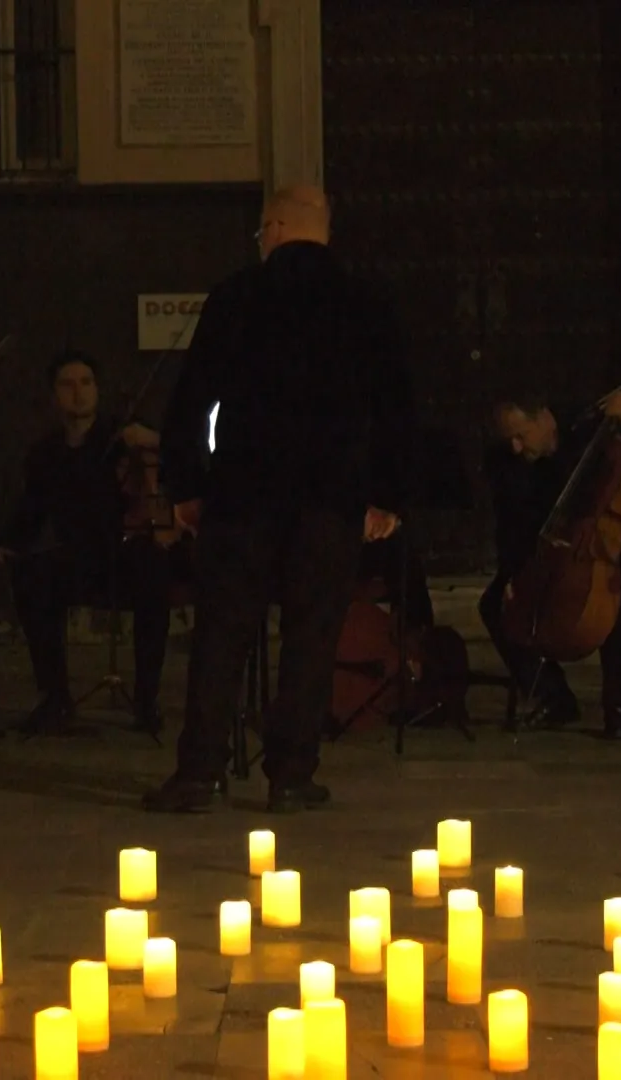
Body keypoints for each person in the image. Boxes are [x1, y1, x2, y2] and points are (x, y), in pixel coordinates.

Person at [144, 183, 413, 813]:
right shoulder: (366, 301)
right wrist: (386, 496)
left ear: (273, 229)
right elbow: (395, 408)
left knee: (222, 634)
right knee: (312, 636)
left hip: (243, 498)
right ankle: (291, 774)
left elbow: (193, 400)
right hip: (328, 502)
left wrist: (186, 486)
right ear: (322, 232)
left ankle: (199, 772)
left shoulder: (237, 296)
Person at [0, 352, 175, 733]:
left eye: (87, 383)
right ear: (54, 394)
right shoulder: (45, 452)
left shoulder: (121, 438)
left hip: (124, 552)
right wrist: (5, 543)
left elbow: (180, 459)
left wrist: (152, 439)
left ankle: (146, 700)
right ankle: (55, 698)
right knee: (31, 573)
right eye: (68, 384)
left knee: (154, 569)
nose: (79, 392)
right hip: (80, 556)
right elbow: (32, 509)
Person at [483, 387, 621, 739]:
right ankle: (553, 695)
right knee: (495, 604)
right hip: (552, 550)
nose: (515, 447)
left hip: (610, 551)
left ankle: (615, 707)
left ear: (544, 418)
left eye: (521, 435)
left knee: (619, 589)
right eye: (509, 439)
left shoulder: (591, 428)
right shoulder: (508, 461)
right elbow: (509, 522)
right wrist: (513, 571)